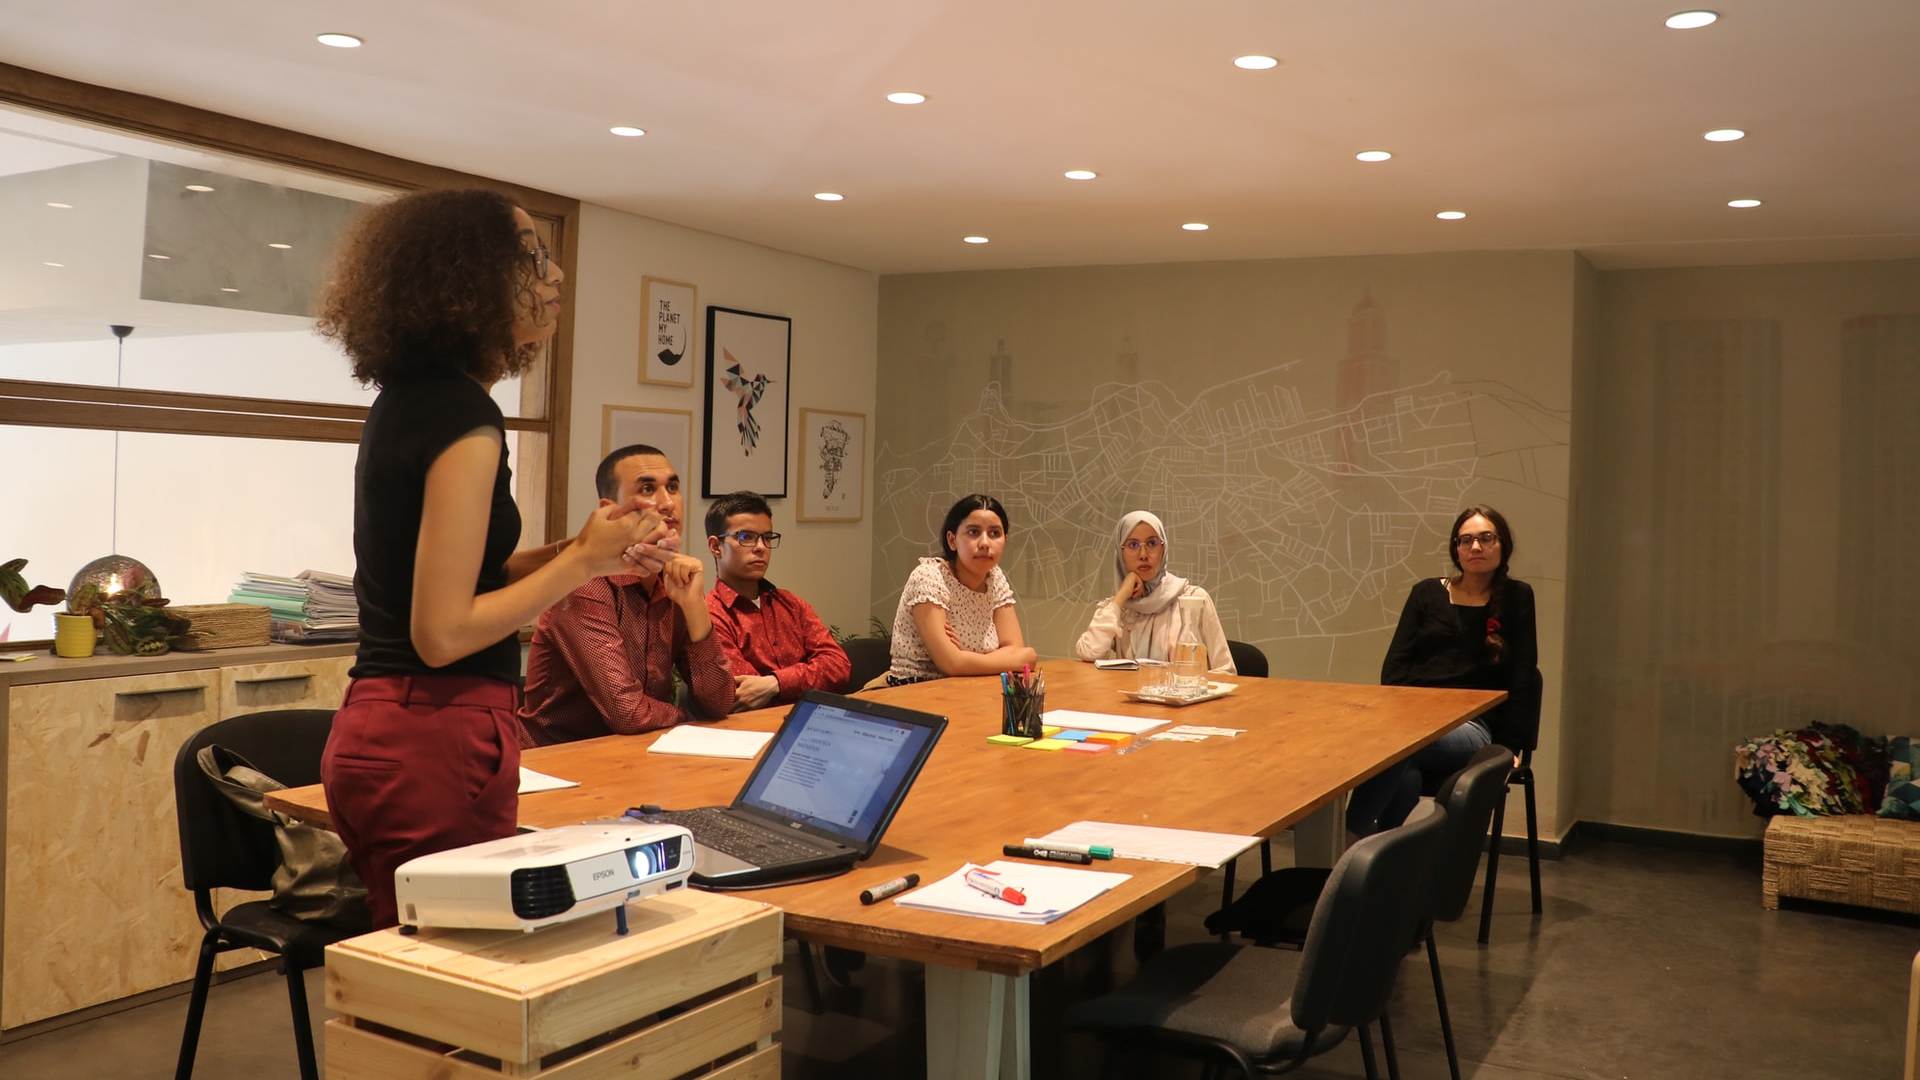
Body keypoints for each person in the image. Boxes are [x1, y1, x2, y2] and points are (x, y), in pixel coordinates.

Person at [316, 190, 664, 928]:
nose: (555, 274)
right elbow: (442, 632)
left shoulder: (412, 401)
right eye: (532, 258)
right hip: (434, 734)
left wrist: (582, 549)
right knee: (449, 969)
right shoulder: (464, 414)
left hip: (392, 725)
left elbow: (472, 576)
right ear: (467, 281)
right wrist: (580, 565)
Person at [517, 445, 736, 744]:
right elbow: (628, 713)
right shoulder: (585, 584)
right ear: (610, 509)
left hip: (639, 751)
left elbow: (719, 702)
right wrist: (689, 719)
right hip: (556, 756)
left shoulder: (675, 579)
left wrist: (695, 607)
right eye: (647, 489)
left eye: (673, 488)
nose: (667, 503)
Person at [1346, 505, 1539, 836]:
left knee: (1396, 745)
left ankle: (1349, 837)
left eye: (1486, 538)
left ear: (1502, 545)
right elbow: (1394, 670)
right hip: (1413, 720)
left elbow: (1522, 676)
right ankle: (1386, 850)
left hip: (1473, 726)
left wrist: (1507, 747)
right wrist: (1408, 712)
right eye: (1466, 540)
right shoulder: (1426, 593)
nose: (1475, 547)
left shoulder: (1517, 597)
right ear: (1456, 549)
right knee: (1405, 768)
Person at [703, 490, 851, 709]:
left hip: (809, 720)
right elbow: (745, 693)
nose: (761, 547)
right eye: (746, 537)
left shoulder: (791, 604)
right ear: (716, 546)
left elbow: (838, 666)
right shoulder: (710, 615)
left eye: (767, 537)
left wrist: (775, 684)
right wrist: (805, 678)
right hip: (756, 726)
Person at [885, 494, 1037, 684]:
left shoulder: (994, 577)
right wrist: (1010, 660)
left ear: (1005, 540)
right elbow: (951, 664)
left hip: (971, 686)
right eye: (973, 532)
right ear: (952, 540)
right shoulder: (928, 576)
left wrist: (964, 657)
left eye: (994, 533)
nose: (985, 543)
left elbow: (1016, 648)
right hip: (915, 687)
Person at [1073, 510, 1236, 673]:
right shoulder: (1119, 608)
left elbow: (1226, 672)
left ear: (1163, 549)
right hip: (1131, 690)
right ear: (1120, 553)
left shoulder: (1194, 599)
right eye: (1133, 545)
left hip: (1186, 689)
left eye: (1152, 543)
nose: (1143, 555)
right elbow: (1090, 652)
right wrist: (1121, 595)